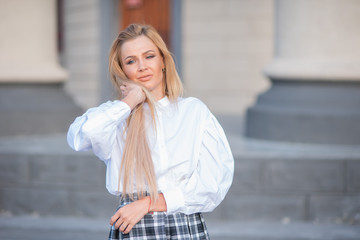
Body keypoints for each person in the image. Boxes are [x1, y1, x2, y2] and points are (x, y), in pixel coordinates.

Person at [67, 23, 234, 240]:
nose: (142, 66)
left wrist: (148, 204)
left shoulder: (193, 111)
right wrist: (130, 102)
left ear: (163, 61)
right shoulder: (116, 117)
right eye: (130, 61)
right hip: (134, 228)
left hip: (184, 223)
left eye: (149, 56)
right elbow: (83, 136)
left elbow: (213, 183)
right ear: (122, 70)